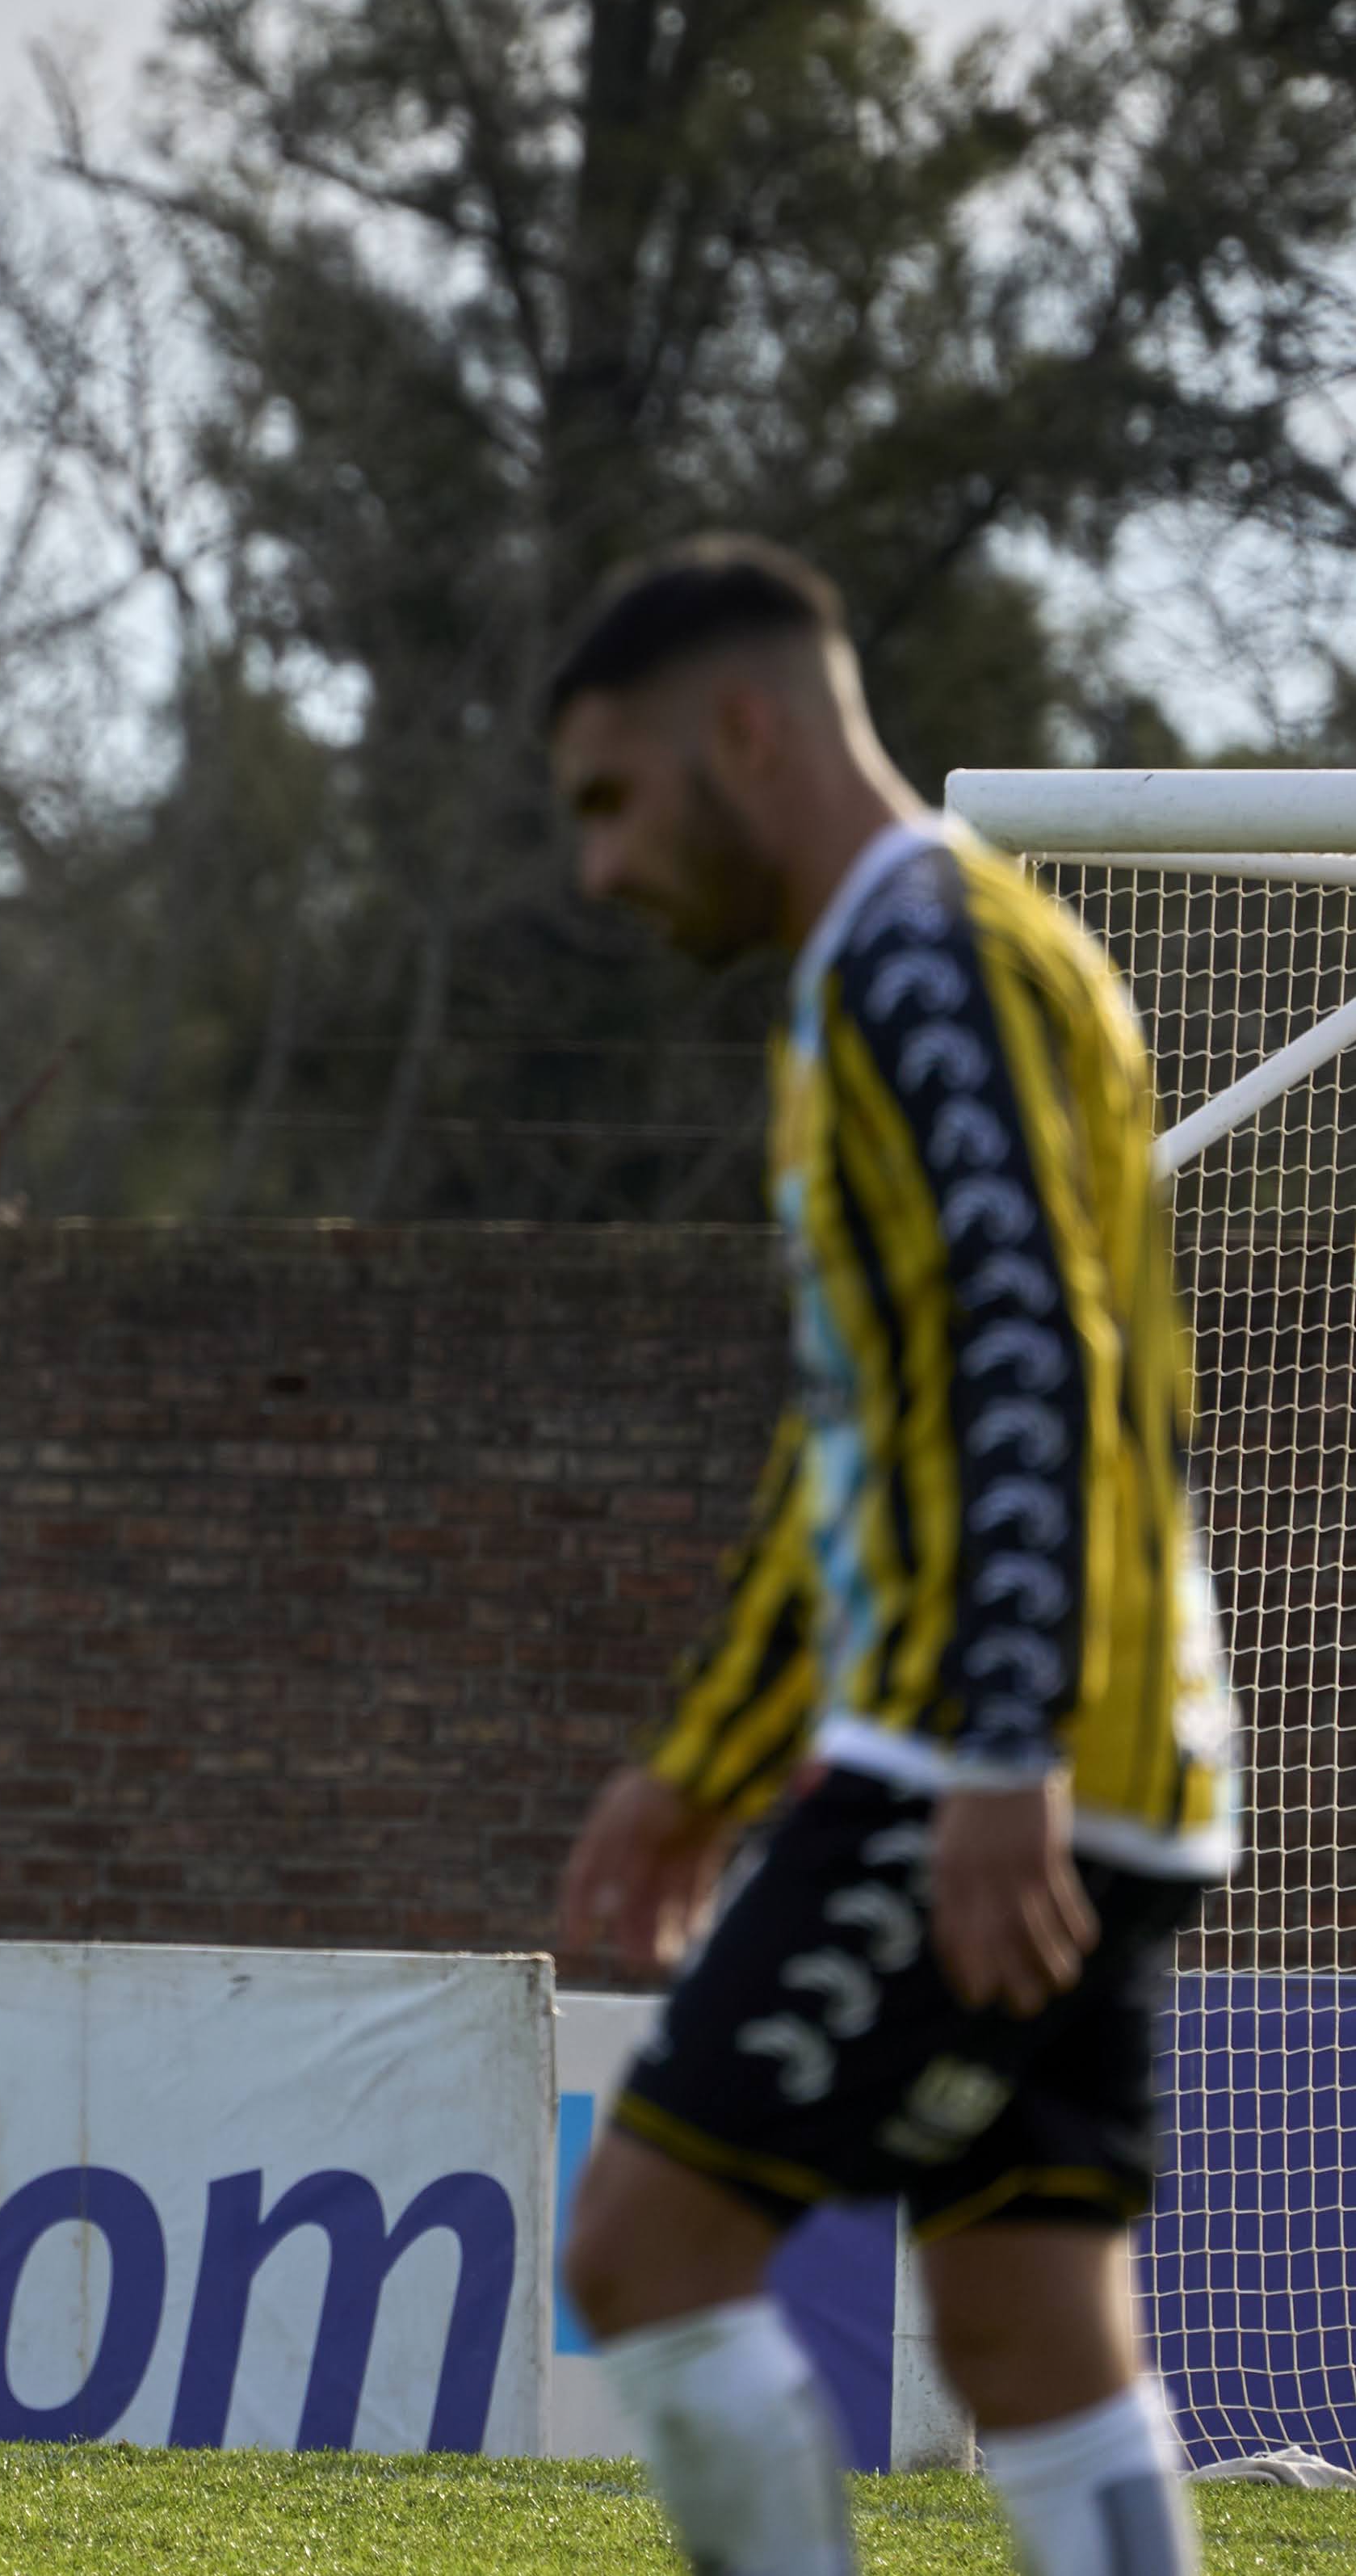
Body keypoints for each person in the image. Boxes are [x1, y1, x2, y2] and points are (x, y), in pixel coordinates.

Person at [544, 536, 1236, 2576]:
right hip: (1082, 1761)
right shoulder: (918, 961)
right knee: (1034, 2334)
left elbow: (1032, 1339)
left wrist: (999, 1743)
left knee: (649, 2245)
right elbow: (866, 1443)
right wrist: (709, 1763)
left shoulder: (920, 955)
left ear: (744, 735)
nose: (594, 869)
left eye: (611, 798)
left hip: (992, 1763)